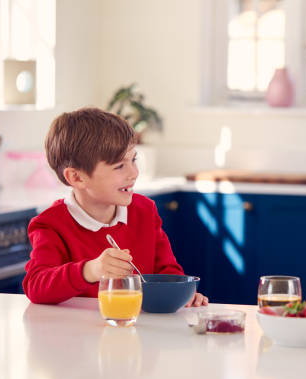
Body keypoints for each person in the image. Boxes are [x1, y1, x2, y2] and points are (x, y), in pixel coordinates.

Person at [23, 107, 208, 306]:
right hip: (78, 334)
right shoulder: (50, 225)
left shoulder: (145, 210)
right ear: (76, 177)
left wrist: (182, 293)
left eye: (133, 160)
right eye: (119, 166)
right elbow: (36, 286)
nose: (134, 173)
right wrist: (90, 271)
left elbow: (167, 271)